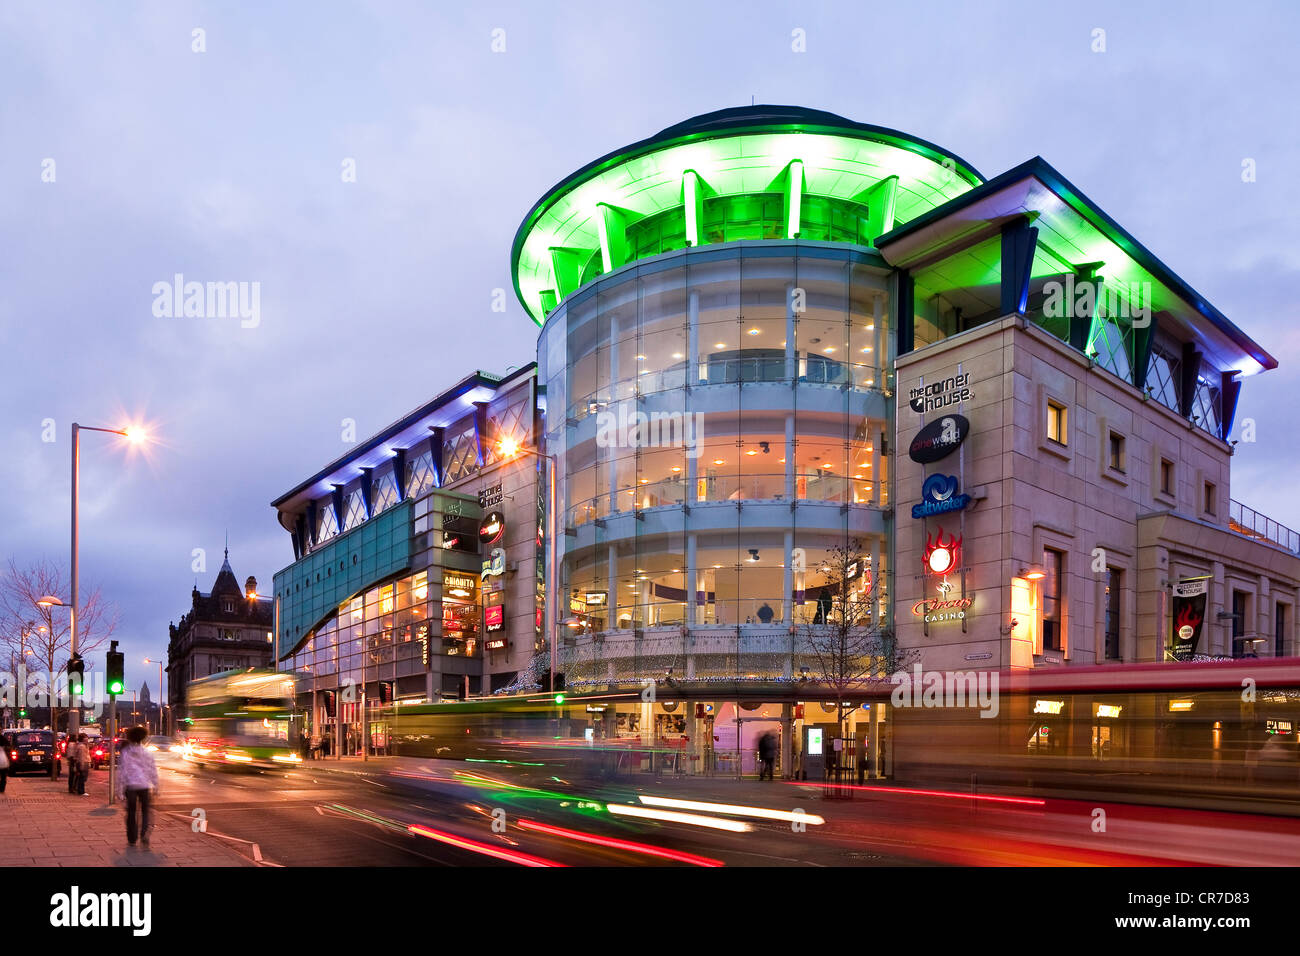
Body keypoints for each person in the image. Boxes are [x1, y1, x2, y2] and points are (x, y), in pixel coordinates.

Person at [117, 726, 159, 848]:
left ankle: (132, 838)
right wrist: (156, 786)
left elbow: (122, 771)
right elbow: (152, 770)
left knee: (131, 813)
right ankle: (144, 834)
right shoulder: (148, 753)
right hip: (145, 786)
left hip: (130, 786)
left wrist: (119, 790)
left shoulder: (126, 753)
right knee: (145, 812)